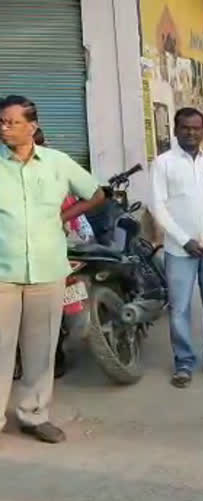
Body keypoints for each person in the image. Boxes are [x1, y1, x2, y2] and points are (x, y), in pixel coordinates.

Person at [0, 95, 105, 443]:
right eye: (1, 122)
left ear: (32, 126)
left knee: (41, 349)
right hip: (3, 273)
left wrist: (64, 216)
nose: (4, 128)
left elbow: (95, 193)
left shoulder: (58, 163)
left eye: (12, 122)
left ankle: (34, 414)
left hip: (47, 270)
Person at [151, 108, 203, 388]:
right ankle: (184, 363)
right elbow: (158, 206)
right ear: (175, 130)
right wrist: (183, 239)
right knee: (179, 308)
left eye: (196, 128)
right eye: (185, 128)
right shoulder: (163, 164)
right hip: (179, 251)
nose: (191, 133)